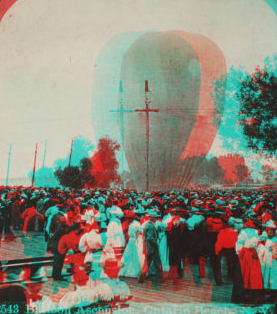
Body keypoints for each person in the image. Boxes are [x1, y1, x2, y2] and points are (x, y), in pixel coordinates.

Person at [138, 210, 163, 284]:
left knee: (150, 261)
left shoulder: (148, 225)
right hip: (151, 246)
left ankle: (151, 276)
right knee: (154, 261)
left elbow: (144, 234)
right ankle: (155, 277)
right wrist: (156, 243)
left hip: (148, 245)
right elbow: (149, 237)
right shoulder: (150, 226)